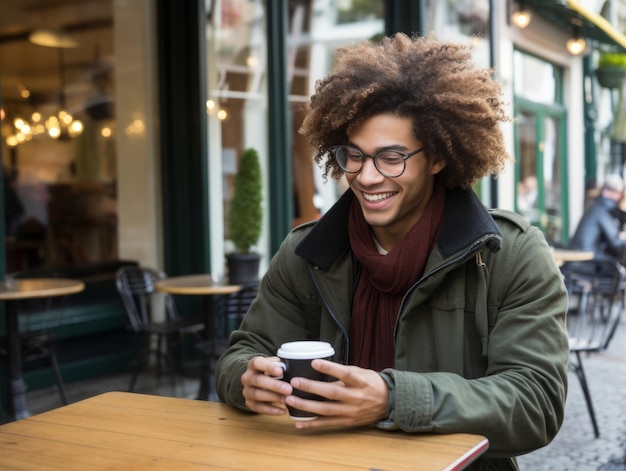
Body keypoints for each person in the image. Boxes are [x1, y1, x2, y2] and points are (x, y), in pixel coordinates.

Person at [216, 33, 568, 470]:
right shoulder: (306, 251)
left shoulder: (508, 254)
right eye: (354, 157)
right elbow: (243, 351)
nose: (366, 177)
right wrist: (245, 379)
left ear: (437, 157)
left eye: (391, 158)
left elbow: (536, 403)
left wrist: (394, 400)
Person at [568, 174, 626, 260]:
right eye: (619, 193)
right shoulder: (602, 209)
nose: (620, 197)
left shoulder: (598, 205)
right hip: (589, 258)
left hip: (585, 254)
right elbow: (615, 242)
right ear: (607, 192)